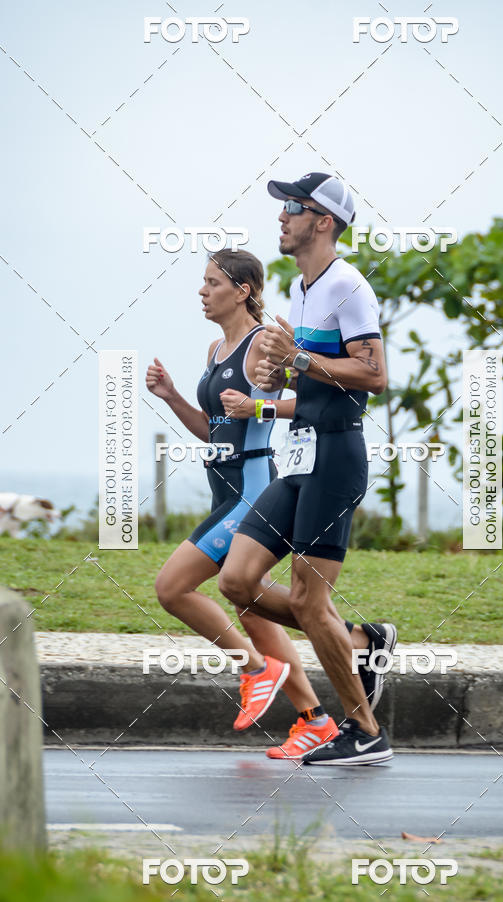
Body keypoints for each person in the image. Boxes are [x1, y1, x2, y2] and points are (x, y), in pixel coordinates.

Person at [219, 174, 397, 765]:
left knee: (308, 601)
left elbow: (373, 374)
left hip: (335, 460)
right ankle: (360, 641)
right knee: (237, 581)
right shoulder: (301, 288)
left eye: (293, 208)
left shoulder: (348, 285)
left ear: (323, 222)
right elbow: (312, 381)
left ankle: (365, 733)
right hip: (299, 457)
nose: (282, 217)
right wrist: (273, 385)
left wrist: (298, 358)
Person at [146, 248, 338, 759]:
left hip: (251, 492)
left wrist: (260, 407)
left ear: (242, 291)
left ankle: (256, 668)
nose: (202, 291)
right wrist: (172, 396)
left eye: (212, 282)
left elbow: (312, 401)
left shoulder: (264, 344)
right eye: (203, 282)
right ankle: (315, 721)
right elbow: (215, 431)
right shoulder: (217, 349)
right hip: (223, 489)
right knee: (250, 607)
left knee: (172, 587)